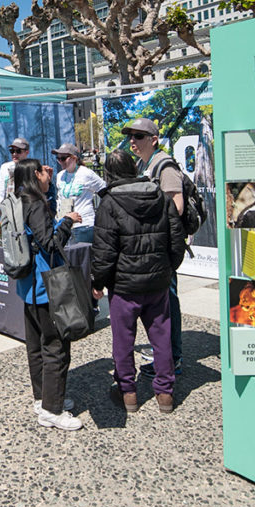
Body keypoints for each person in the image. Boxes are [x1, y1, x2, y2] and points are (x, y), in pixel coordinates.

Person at [91, 150, 186, 413]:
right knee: (161, 337)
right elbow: (176, 239)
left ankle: (127, 392)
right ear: (134, 167)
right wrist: (167, 269)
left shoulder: (109, 203)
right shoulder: (159, 195)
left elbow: (103, 251)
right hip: (157, 283)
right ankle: (165, 394)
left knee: (123, 340)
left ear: (108, 174)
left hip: (124, 286)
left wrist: (98, 282)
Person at [12, 159, 82, 431]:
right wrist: (67, 221)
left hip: (27, 284)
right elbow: (51, 243)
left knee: (36, 345)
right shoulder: (36, 204)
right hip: (44, 286)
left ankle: (43, 398)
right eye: (42, 170)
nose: (46, 174)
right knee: (55, 346)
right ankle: (52, 410)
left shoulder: (17, 200)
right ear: (34, 175)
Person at [123, 117, 185, 377]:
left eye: (138, 136)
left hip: (163, 249)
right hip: (152, 247)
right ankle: (166, 355)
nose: (132, 142)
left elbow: (177, 207)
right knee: (160, 304)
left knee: (168, 302)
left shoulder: (164, 166)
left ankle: (172, 359)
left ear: (153, 139)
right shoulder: (144, 164)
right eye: (131, 137)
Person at [52, 144, 107, 244]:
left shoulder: (86, 174)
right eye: (58, 158)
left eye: (63, 158)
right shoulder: (60, 176)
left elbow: (105, 192)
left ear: (74, 158)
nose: (60, 161)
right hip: (66, 225)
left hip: (84, 226)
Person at [0, 137, 30, 215]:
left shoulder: (31, 168)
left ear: (27, 152)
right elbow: (1, 193)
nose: (14, 154)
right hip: (8, 211)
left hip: (25, 211)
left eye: (18, 151)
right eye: (12, 151)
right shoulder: (4, 168)